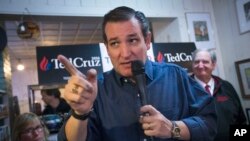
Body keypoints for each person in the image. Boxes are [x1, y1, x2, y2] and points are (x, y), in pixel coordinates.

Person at [57, 6, 217, 141]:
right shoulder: (96, 89)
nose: (125, 53)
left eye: (132, 40)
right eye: (114, 43)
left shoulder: (175, 76)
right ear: (107, 48)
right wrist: (80, 113)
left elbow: (210, 123)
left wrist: (173, 128)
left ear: (147, 41)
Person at [191, 49, 247, 141]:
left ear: (213, 65)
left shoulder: (227, 87)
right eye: (196, 62)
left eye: (205, 62)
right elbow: (176, 124)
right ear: (192, 65)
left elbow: (241, 121)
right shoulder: (183, 90)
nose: (200, 65)